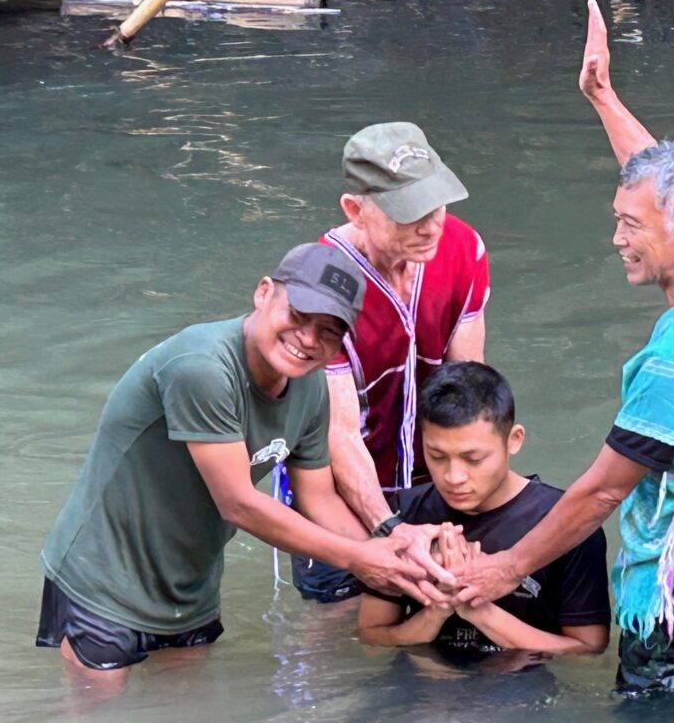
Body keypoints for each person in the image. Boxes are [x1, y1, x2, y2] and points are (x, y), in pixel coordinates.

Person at [456, 0, 674, 692]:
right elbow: (657, 183)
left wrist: (502, 569)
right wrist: (602, 96)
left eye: (630, 227)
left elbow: (599, 492)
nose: (617, 239)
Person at [36, 242, 434, 678]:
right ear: (264, 292)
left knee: (182, 705)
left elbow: (319, 500)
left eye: (329, 330)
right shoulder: (203, 368)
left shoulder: (310, 389)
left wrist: (392, 553)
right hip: (102, 573)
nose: (307, 339)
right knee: (101, 706)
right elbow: (238, 503)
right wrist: (360, 559)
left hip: (189, 586)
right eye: (298, 316)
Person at [289, 122, 492, 603]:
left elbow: (469, 389)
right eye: (408, 213)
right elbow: (336, 431)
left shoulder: (464, 250)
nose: (430, 226)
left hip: (434, 480)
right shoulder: (322, 283)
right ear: (355, 210)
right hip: (341, 491)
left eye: (436, 205)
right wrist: (387, 529)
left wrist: (484, 500)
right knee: (337, 618)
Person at [357, 361, 610, 656]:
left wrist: (478, 610)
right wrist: (436, 611)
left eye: (473, 459)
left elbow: (587, 651)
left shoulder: (564, 522)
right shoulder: (405, 517)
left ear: (513, 440)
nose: (453, 477)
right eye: (437, 456)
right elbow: (371, 634)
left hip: (523, 683)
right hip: (426, 681)